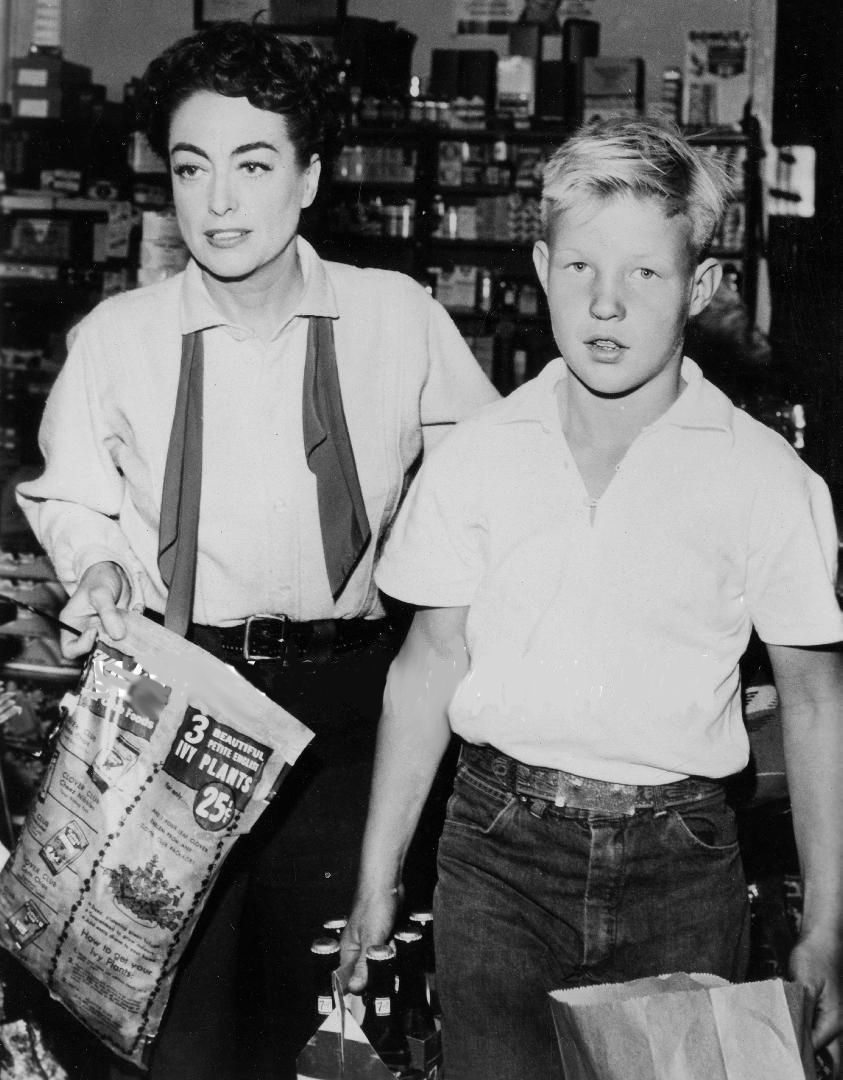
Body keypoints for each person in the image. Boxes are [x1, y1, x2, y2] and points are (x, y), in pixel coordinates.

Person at [16, 21, 497, 1080]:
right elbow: (71, 501)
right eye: (193, 169)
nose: (220, 203)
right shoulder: (119, 341)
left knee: (313, 1030)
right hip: (178, 705)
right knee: (161, 1032)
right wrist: (95, 567)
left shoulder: (397, 320)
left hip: (345, 721)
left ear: (312, 176)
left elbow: (489, 482)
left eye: (253, 164)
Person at [343, 117, 843, 1079]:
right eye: (579, 268)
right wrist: (377, 877)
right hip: (495, 854)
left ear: (698, 286)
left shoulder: (762, 476)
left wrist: (827, 925)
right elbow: (426, 669)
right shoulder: (480, 455)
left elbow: (816, 702)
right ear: (539, 266)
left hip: (682, 860)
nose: (605, 304)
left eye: (644, 274)